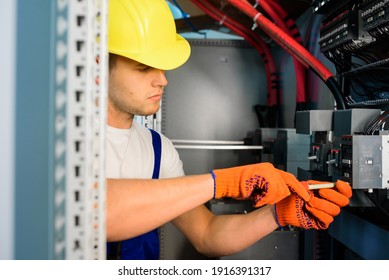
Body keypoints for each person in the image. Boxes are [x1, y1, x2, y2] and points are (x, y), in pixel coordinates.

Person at [105, 0, 352, 260]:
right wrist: (221, 183)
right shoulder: (64, 142)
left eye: (162, 66)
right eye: (144, 68)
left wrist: (279, 213)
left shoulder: (158, 149)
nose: (163, 80)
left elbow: (207, 234)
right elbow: (98, 212)